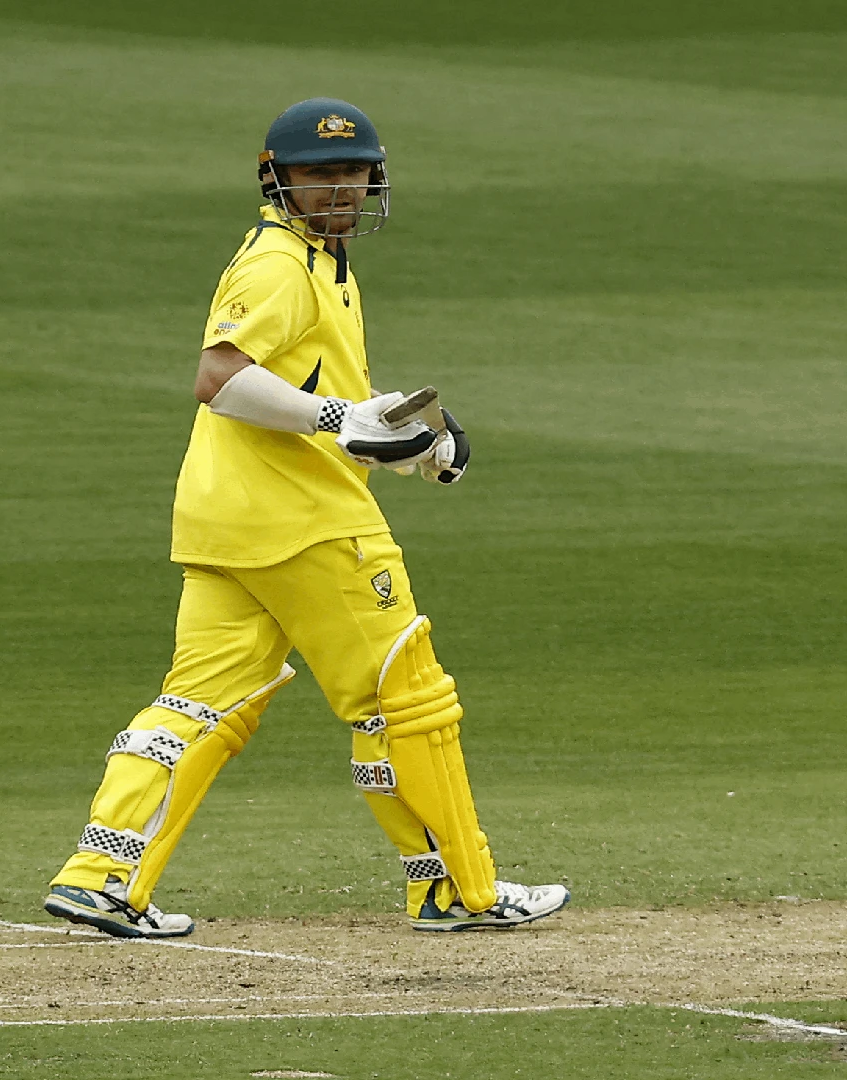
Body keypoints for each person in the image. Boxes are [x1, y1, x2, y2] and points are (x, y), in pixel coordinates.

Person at [42, 99, 569, 938]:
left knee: (202, 700)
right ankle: (458, 891)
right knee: (405, 699)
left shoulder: (323, 264)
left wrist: (409, 439)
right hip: (308, 528)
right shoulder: (280, 265)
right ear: (276, 178)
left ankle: (102, 876)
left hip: (230, 523)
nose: (340, 189)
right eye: (320, 174)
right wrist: (338, 422)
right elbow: (220, 379)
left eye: (354, 173)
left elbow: (314, 399)